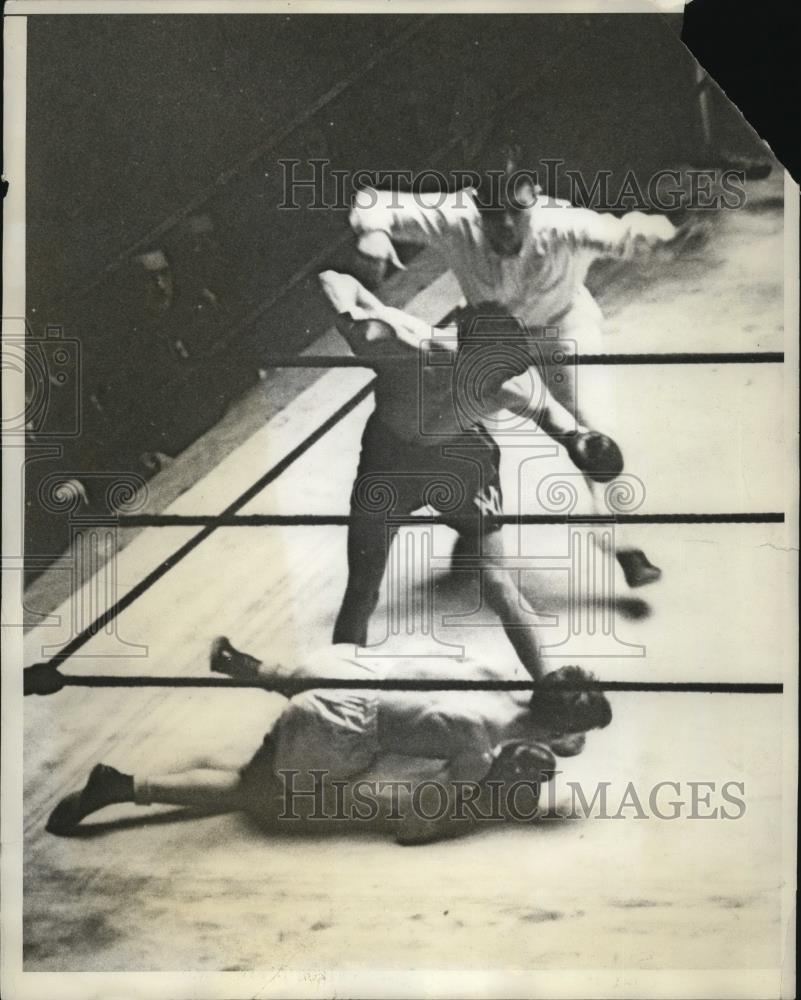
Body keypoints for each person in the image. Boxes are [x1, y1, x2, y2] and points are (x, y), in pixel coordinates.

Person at [346, 137, 688, 587]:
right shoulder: (454, 218)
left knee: (595, 435)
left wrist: (659, 233)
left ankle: (623, 546)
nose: (505, 224)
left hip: (563, 332)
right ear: (476, 206)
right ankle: (474, 532)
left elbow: (624, 234)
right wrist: (371, 232)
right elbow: (371, 201)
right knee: (457, 425)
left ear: (534, 201)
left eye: (516, 212)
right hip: (492, 340)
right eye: (493, 214)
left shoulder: (563, 224)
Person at [319, 270, 624, 668]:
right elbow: (332, 277)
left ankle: (549, 686)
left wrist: (584, 443)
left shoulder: (509, 383)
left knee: (497, 581)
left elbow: (556, 418)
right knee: (362, 589)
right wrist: (346, 313)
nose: (494, 384)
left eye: (502, 373)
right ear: (464, 354)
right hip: (388, 462)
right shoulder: (403, 346)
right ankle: (336, 685)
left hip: (461, 462)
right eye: (487, 374)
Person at [45, 637, 612, 845]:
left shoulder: (500, 681)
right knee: (254, 795)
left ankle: (254, 673)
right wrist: (477, 807)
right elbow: (416, 827)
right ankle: (121, 787)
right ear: (557, 730)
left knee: (278, 748)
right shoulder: (477, 746)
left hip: (351, 670)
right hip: (337, 725)